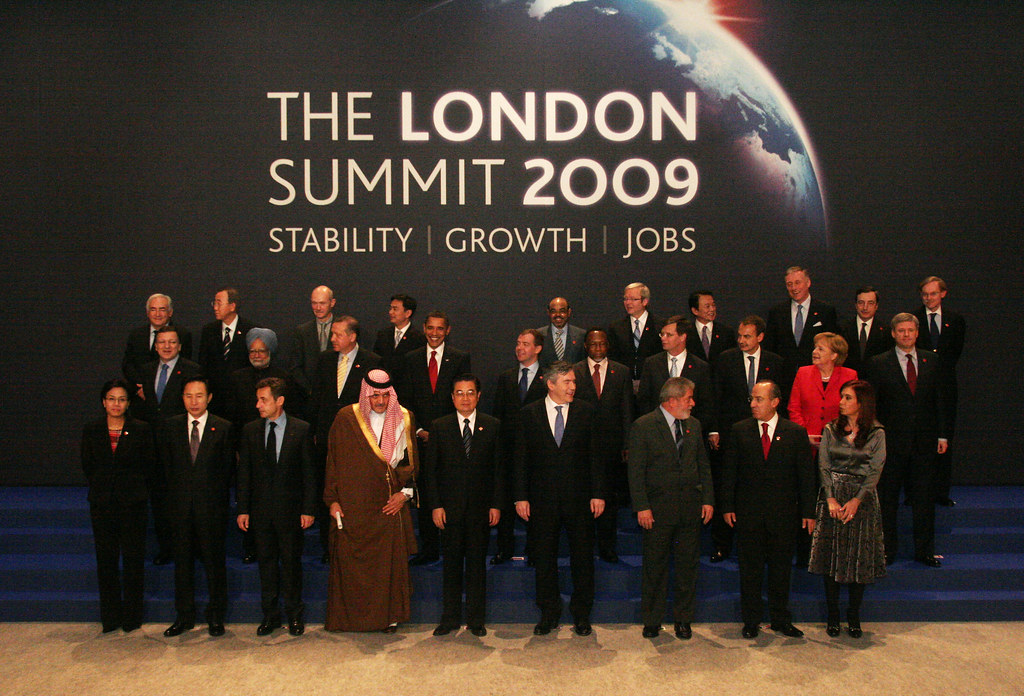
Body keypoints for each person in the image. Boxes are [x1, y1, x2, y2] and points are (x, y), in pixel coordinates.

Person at [514, 361, 605, 637]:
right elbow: (520, 459)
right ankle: (549, 613)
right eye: (567, 382)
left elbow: (597, 456)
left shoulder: (587, 412)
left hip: (580, 500)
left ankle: (581, 615)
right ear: (550, 384)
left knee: (582, 559)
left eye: (574, 382)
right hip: (541, 501)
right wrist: (521, 497)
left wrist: (598, 493)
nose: (573, 387)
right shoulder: (528, 414)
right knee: (544, 559)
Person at [323, 370, 418, 633]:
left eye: (385, 395)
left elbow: (413, 466)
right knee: (354, 567)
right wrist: (332, 500)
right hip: (353, 507)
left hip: (388, 506)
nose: (379, 401)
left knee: (386, 567)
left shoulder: (404, 419)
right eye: (374, 395)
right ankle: (350, 619)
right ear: (366, 393)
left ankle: (389, 618)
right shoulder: (346, 419)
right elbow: (333, 461)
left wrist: (404, 495)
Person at [721, 381, 815, 639]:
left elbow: (805, 477)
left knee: (781, 571)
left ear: (775, 402)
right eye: (752, 399)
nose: (752, 404)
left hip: (783, 516)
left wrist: (808, 512)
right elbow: (729, 472)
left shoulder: (795, 433)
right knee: (750, 570)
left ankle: (780, 619)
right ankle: (750, 620)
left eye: (759, 399)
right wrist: (727, 505)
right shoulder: (739, 430)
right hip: (748, 514)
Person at [628, 377, 713, 640]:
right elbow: (636, 471)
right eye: (689, 398)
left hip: (689, 508)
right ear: (672, 400)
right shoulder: (643, 426)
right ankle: (652, 620)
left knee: (688, 567)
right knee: (655, 567)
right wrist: (642, 506)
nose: (693, 403)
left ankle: (683, 620)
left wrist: (708, 499)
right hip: (657, 509)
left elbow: (703, 465)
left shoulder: (694, 425)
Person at [236, 377, 317, 637]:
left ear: (279, 401)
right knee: (266, 566)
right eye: (257, 399)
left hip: (291, 513)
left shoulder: (301, 429)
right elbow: (244, 473)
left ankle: (294, 616)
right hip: (260, 514)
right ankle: (270, 616)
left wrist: (308, 508)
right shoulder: (250, 430)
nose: (258, 404)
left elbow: (309, 474)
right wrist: (243, 508)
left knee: (292, 565)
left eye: (263, 400)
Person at [424, 375, 503, 637]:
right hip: (449, 510)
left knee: (477, 565)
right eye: (459, 393)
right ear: (452, 397)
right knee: (452, 565)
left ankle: (476, 620)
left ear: (479, 396)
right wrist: (435, 505)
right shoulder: (440, 426)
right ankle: (449, 619)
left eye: (470, 393)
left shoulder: (492, 425)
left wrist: (496, 504)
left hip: (481, 510)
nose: (465, 398)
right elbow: (431, 472)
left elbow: (498, 470)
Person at [808, 379, 886, 639]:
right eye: (841, 397)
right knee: (832, 558)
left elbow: (875, 470)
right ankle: (832, 615)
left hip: (861, 500)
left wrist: (857, 500)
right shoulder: (831, 429)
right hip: (833, 496)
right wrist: (830, 498)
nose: (841, 402)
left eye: (847, 398)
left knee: (858, 560)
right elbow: (824, 465)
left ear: (861, 403)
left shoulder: (877, 433)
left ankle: (853, 615)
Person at [867, 313, 947, 567]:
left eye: (910, 330)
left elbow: (940, 400)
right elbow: (872, 405)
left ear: (917, 332)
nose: (905, 335)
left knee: (924, 499)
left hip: (924, 442)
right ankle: (887, 551)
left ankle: (924, 551)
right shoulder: (879, 363)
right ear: (893, 333)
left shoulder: (931, 360)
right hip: (890, 443)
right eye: (901, 331)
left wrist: (942, 434)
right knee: (887, 499)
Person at [395, 310, 472, 565]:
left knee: (451, 492)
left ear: (447, 331)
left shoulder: (460, 358)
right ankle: (428, 549)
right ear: (424, 329)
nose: (435, 333)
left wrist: (441, 430)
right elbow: (404, 399)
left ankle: (454, 547)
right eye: (430, 328)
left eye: (440, 328)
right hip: (419, 438)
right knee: (426, 494)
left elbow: (463, 399)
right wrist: (417, 430)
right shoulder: (411, 359)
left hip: (450, 438)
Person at [160, 376, 234, 637]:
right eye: (189, 396)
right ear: (182, 398)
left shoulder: (223, 428)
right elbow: (166, 469)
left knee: (214, 564)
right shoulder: (170, 427)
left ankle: (215, 617)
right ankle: (184, 616)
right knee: (182, 565)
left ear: (209, 397)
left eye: (199, 395)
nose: (194, 401)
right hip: (179, 509)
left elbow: (227, 471)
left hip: (211, 510)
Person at [80, 378, 155, 633]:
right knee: (107, 561)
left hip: (132, 503)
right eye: (111, 399)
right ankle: (110, 617)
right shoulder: (92, 429)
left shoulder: (141, 429)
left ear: (128, 403)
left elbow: (148, 466)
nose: (116, 404)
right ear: (103, 402)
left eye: (122, 399)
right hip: (102, 504)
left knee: (133, 560)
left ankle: (132, 617)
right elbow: (88, 465)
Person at [710, 316, 784, 562]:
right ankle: (722, 544)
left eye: (747, 336)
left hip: (765, 434)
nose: (741, 341)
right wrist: (714, 429)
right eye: (740, 336)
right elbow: (717, 395)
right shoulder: (725, 359)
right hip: (732, 433)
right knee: (727, 486)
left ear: (760, 337)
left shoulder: (775, 362)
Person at [311, 316, 381, 561]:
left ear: (352, 337)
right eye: (332, 334)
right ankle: (329, 547)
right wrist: (317, 432)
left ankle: (355, 545)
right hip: (327, 438)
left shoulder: (372, 362)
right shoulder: (324, 361)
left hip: (358, 441)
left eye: (338, 334)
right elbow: (317, 399)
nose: (333, 339)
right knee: (328, 493)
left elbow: (377, 404)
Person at [136, 325, 201, 565]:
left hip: (184, 446)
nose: (166, 346)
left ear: (180, 346)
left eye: (172, 342)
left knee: (185, 501)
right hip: (153, 448)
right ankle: (166, 548)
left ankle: (192, 548)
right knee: (160, 501)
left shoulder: (192, 370)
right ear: (155, 345)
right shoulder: (146, 370)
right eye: (162, 342)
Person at [572, 328, 634, 563]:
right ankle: (585, 546)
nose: (598, 349)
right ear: (586, 346)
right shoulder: (574, 371)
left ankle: (607, 547)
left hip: (612, 447)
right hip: (581, 446)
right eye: (593, 345)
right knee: (584, 499)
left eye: (602, 344)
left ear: (608, 345)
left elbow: (627, 410)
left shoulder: (622, 371)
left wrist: (627, 443)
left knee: (608, 500)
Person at [489, 329, 547, 564]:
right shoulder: (506, 377)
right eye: (518, 343)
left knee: (535, 504)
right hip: (509, 451)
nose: (519, 348)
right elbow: (497, 415)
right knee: (505, 501)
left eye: (525, 344)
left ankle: (535, 550)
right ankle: (504, 549)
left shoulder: (548, 378)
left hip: (537, 452)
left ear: (538, 348)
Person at [913, 276, 965, 507]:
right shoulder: (913, 319)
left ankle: (941, 492)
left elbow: (954, 353)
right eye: (925, 294)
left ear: (943, 294)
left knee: (944, 438)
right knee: (917, 440)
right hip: (919, 386)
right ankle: (915, 494)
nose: (929, 298)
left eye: (933, 294)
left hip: (945, 386)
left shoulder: (955, 320)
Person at [763, 266, 839, 397]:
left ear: (808, 283)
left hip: (816, 376)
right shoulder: (777, 312)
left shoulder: (825, 311)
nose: (794, 288)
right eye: (789, 284)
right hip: (784, 380)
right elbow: (770, 347)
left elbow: (832, 347)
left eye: (798, 282)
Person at [636, 316, 714, 431]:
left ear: (682, 337)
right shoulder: (652, 363)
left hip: (689, 430)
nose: (663, 338)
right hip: (657, 429)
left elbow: (706, 404)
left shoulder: (700, 367)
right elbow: (644, 399)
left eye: (669, 335)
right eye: (662, 334)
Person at [787, 332, 858, 450]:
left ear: (834, 355)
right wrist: (804, 434)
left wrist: (839, 434)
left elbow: (854, 409)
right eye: (815, 348)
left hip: (839, 441)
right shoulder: (803, 373)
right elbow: (794, 408)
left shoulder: (850, 376)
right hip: (806, 440)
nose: (814, 352)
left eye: (820, 349)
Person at [197, 287, 255, 416]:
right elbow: (203, 364)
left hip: (241, 401)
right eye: (214, 303)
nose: (215, 308)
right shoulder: (209, 331)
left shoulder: (250, 330)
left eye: (219, 303)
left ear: (232, 306)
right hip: (215, 402)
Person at [121, 293, 193, 399]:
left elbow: (185, 366)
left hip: (172, 398)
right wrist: (142, 387)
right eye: (153, 309)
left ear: (170, 312)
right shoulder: (136, 335)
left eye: (162, 309)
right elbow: (128, 365)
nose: (157, 314)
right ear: (147, 312)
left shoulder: (182, 334)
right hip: (140, 397)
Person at [288, 285, 336, 414]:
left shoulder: (343, 329)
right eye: (314, 303)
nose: (318, 308)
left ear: (332, 303)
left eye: (322, 303)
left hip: (336, 398)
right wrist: (310, 390)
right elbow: (295, 366)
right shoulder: (302, 332)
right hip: (308, 400)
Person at [607, 282, 663, 388]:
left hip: (653, 383)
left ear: (645, 301)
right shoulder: (616, 328)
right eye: (626, 299)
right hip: (625, 384)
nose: (628, 303)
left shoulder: (660, 325)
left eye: (633, 299)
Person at [839, 285, 893, 376]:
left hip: (876, 381)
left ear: (876, 306)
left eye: (870, 303)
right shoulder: (842, 328)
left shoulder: (886, 331)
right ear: (855, 305)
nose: (865, 307)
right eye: (861, 303)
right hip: (848, 380)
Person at [372, 293, 427, 375]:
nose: (390, 312)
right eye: (390, 308)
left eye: (395, 309)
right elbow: (375, 360)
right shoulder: (383, 334)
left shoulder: (419, 338)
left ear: (408, 313)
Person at [686, 290, 735, 368]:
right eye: (707, 306)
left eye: (713, 305)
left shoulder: (726, 332)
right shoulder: (685, 333)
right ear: (695, 311)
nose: (712, 309)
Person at [537, 296, 586, 368]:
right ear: (548, 313)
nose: (558, 315)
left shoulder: (581, 335)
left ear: (569, 312)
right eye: (553, 311)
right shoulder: (538, 335)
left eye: (562, 311)